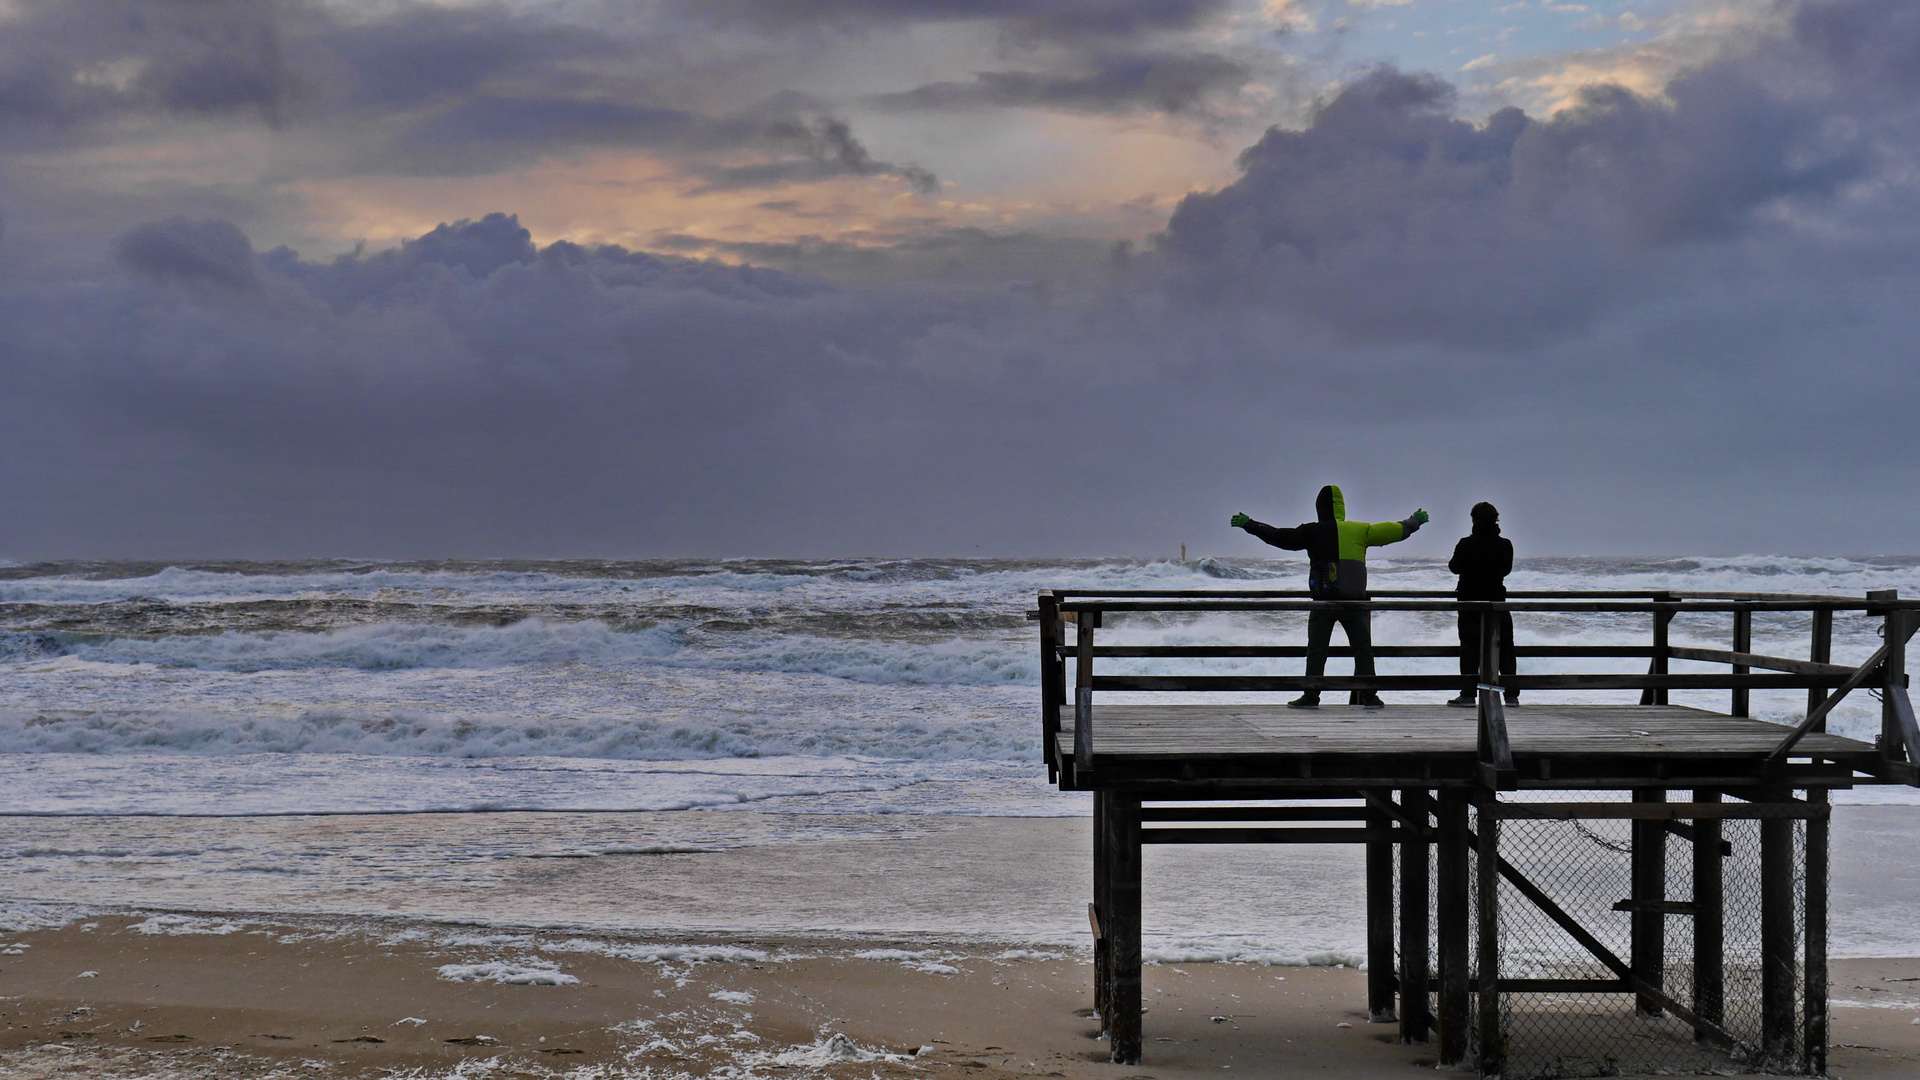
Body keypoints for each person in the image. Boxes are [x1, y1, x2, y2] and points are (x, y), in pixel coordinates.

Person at [1230, 485, 1428, 709]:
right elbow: (1395, 531)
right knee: (1363, 650)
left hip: (1323, 603)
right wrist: (1415, 521)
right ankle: (1370, 697)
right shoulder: (1360, 530)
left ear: (1319, 508)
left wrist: (1250, 524)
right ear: (1342, 507)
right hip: (1353, 602)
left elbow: (1278, 537)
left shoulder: (1311, 531)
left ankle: (1311, 697)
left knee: (1316, 651)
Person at [1448, 501, 1518, 707]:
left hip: (1469, 602)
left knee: (1470, 647)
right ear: (1496, 520)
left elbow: (1454, 567)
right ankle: (1511, 694)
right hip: (1497, 602)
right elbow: (1505, 570)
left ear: (1473, 520)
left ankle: (1468, 694)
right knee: (1505, 647)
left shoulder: (1466, 544)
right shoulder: (1505, 545)